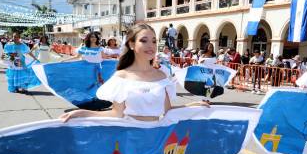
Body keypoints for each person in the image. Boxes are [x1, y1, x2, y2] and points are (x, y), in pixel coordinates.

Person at [60, 23, 208, 122]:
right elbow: (115, 113)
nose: (151, 46)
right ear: (131, 44)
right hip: (130, 140)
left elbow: (168, 111)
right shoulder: (122, 77)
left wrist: (192, 105)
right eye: (144, 41)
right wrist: (80, 114)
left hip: (157, 140)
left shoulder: (162, 76)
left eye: (154, 41)